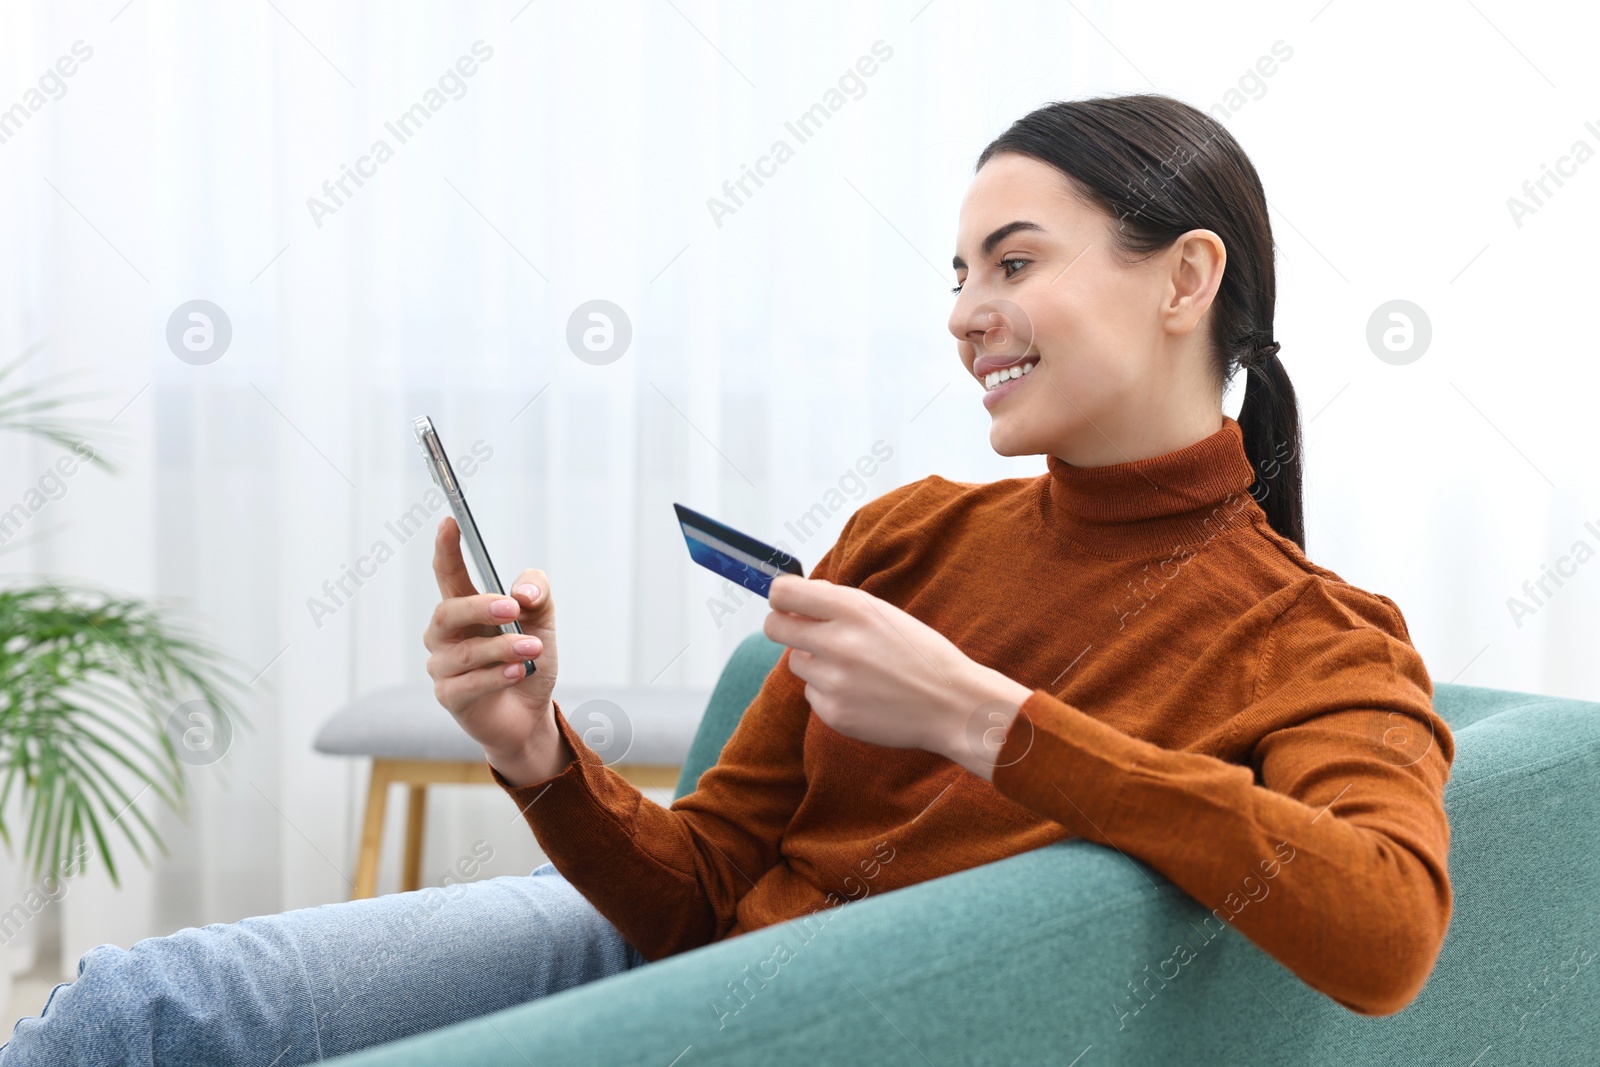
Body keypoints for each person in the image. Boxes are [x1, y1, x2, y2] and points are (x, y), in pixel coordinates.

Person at [0, 92, 1453, 1065]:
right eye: (954, 273)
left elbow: (1386, 931)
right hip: (679, 968)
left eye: (1012, 264)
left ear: (1185, 278)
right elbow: (697, 886)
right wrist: (540, 760)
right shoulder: (913, 534)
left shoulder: (1323, 640)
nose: (965, 315)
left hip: (797, 1030)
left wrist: (986, 721)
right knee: (139, 1007)